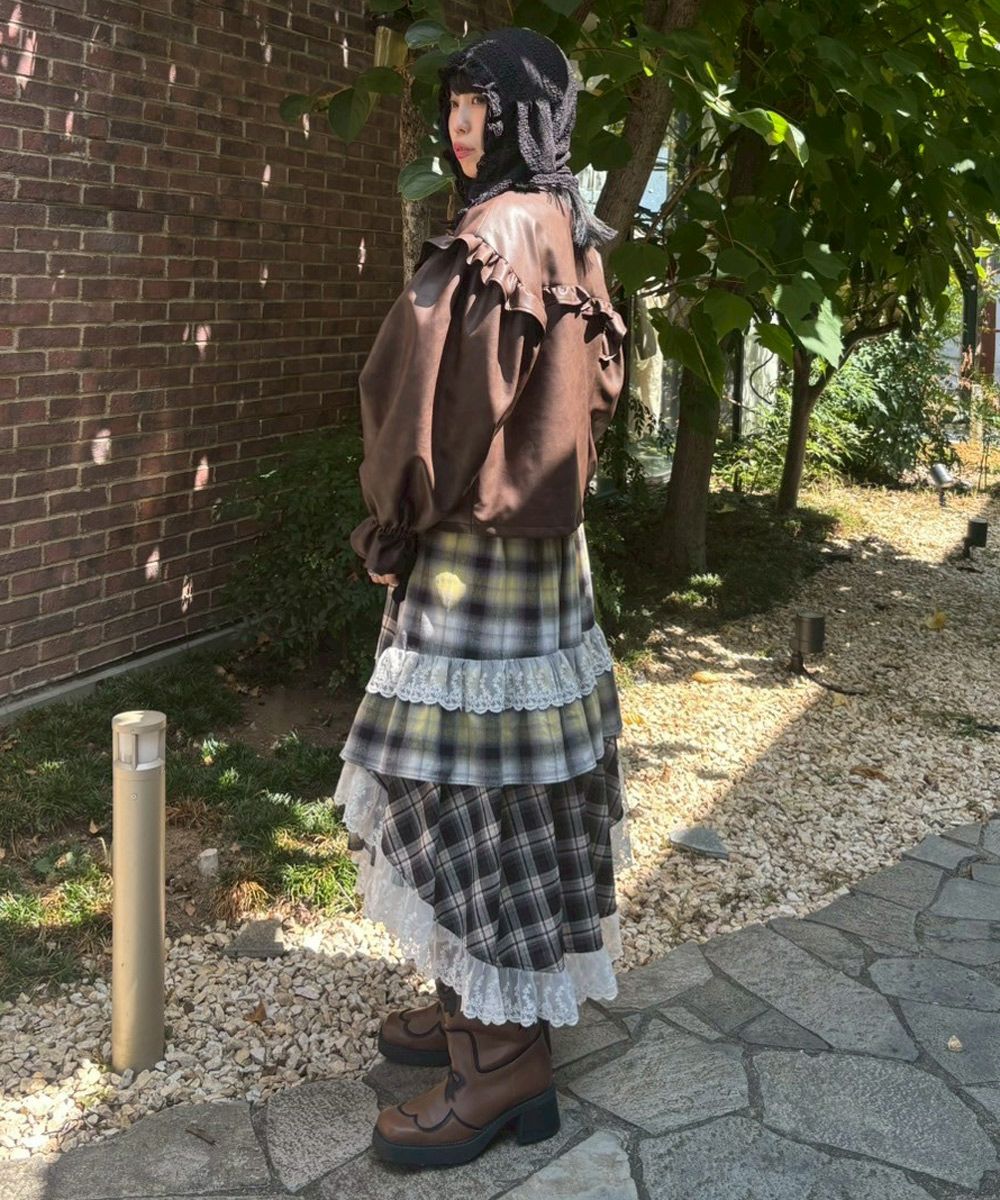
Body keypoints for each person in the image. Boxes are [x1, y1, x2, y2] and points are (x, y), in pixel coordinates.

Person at [332, 26, 634, 1168]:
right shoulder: (567, 226)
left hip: (471, 561)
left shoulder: (490, 234)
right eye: (454, 104)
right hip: (544, 566)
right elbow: (600, 388)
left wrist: (392, 522)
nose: (461, 126)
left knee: (461, 789)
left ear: (523, 119)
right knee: (517, 787)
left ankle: (502, 1062)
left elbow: (424, 404)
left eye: (481, 107)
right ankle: (477, 992)